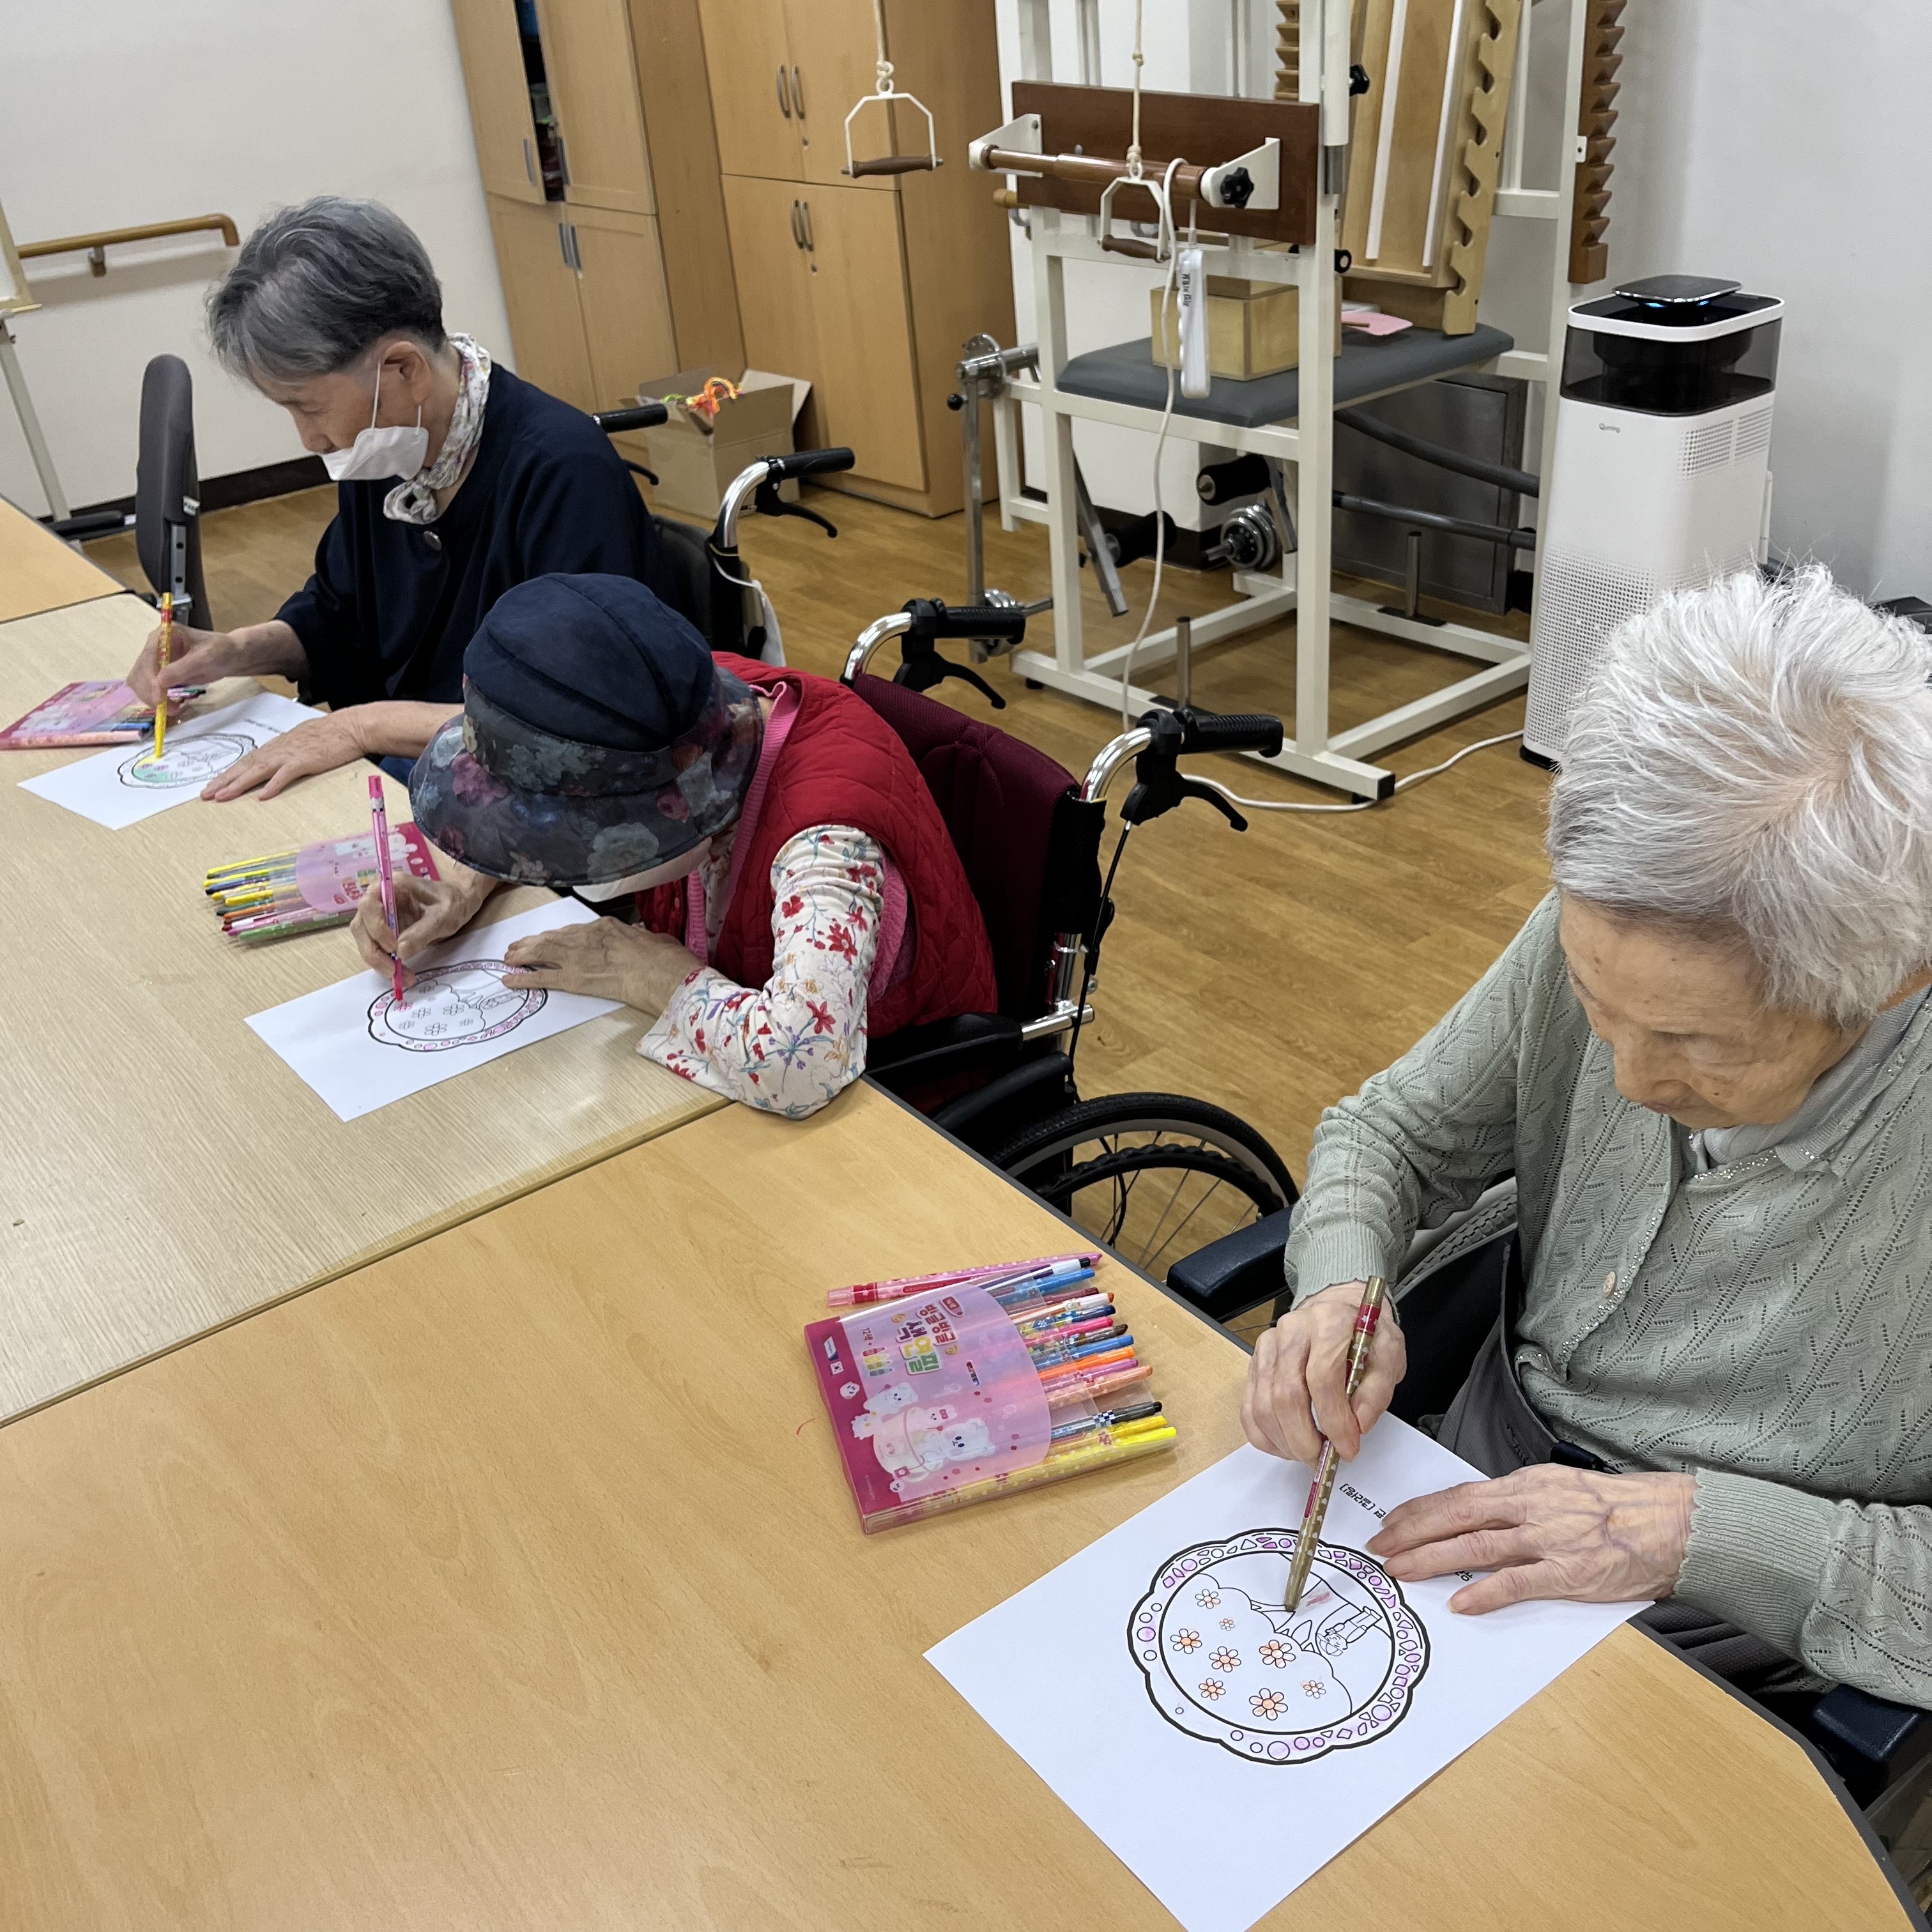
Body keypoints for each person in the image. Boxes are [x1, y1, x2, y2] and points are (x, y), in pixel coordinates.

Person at [1243, 566, 1932, 1713]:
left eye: (1697, 1044)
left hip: (1731, 1620)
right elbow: (1393, 1132)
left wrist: (1694, 1533)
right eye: (1594, 1003)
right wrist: (1338, 1290)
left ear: (1895, 974)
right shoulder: (1629, 919)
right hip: (1461, 1465)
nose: (1627, 1083)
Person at [349, 573, 997, 1117]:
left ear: (668, 809)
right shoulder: (674, 696)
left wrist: (651, 974)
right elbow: (552, 784)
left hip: (896, 1112)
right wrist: (468, 885)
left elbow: (801, 1064)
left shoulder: (827, 842)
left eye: (571, 832)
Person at [125, 196, 674, 799]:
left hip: (535, 797)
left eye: (309, 408)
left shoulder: (562, 473)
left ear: (404, 369)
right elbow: (340, 616)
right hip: (419, 771)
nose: (309, 439)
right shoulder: (390, 450)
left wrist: (359, 727)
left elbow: (571, 720)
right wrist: (232, 651)